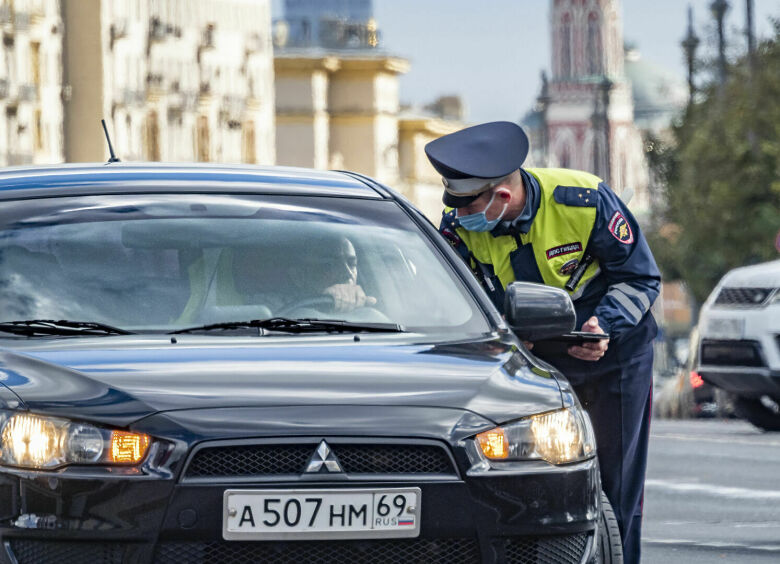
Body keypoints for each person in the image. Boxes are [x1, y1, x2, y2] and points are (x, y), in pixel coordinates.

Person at [425, 121, 660, 564]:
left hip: (616, 353)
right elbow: (456, 298)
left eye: (469, 203)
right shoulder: (459, 227)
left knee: (617, 485)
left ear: (502, 197)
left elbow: (640, 277)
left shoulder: (584, 200)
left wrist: (603, 326)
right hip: (531, 362)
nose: (460, 213)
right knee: (539, 483)